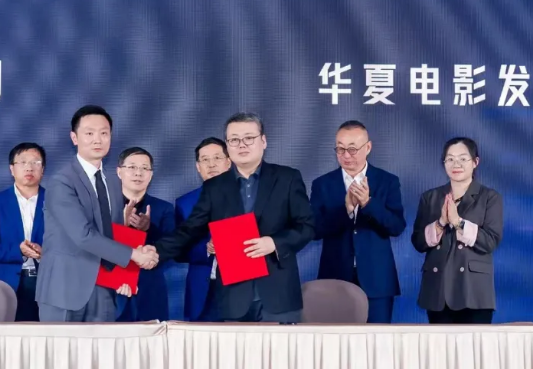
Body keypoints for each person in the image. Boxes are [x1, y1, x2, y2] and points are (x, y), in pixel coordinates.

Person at [151, 112, 314, 323]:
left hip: (279, 295)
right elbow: (189, 230)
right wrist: (154, 251)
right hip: (233, 298)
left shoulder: (287, 178)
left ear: (263, 141)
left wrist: (274, 243)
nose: (242, 145)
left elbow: (307, 226)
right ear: (228, 146)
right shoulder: (215, 187)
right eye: (234, 140)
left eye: (249, 138)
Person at [35, 105, 158, 322]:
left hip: (104, 289)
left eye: (104, 133)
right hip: (64, 290)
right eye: (89, 133)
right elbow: (83, 235)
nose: (97, 140)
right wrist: (135, 255)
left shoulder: (112, 182)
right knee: (63, 346)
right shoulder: (61, 182)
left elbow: (115, 235)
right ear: (74, 138)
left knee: (102, 345)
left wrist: (126, 274)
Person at [310, 121, 406, 323]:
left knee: (377, 340)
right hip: (335, 278)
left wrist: (368, 204)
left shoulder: (387, 181)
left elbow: (396, 226)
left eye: (352, 149)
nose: (346, 155)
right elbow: (314, 229)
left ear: (368, 147)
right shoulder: (322, 184)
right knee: (335, 340)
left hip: (377, 281)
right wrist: (346, 210)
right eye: (340, 149)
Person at [412, 137, 503, 324]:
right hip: (438, 290)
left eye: (463, 159)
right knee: (439, 343)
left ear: (475, 162)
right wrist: (440, 223)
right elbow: (418, 242)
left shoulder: (489, 197)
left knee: (475, 343)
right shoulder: (430, 197)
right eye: (450, 159)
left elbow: (490, 242)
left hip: (473, 291)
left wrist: (458, 222)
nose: (456, 164)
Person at [0, 142, 47, 321]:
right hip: (9, 283)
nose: (29, 168)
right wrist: (18, 251)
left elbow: (67, 243)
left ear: (43, 169)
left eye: (35, 162)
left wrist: (45, 252)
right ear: (12, 169)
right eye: (22, 162)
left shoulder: (57, 201)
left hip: (48, 283)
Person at [115, 147, 176, 321]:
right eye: (132, 167)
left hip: (150, 290)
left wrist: (149, 229)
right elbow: (95, 244)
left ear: (151, 175)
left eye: (144, 168)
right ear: (119, 172)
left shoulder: (164, 208)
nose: (138, 173)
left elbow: (171, 248)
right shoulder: (103, 207)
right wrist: (121, 226)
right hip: (112, 290)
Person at [175, 137, 231, 322]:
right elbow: (179, 251)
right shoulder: (185, 203)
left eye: (217, 158)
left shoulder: (249, 197)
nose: (211, 164)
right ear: (198, 167)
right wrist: (205, 248)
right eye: (205, 160)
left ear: (228, 162)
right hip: (204, 290)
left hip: (244, 289)